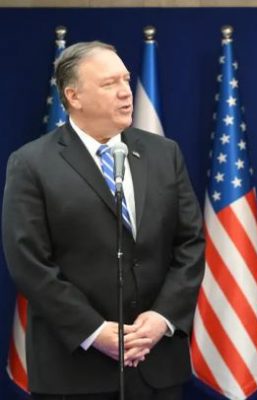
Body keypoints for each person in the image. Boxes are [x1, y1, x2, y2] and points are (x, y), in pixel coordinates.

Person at [2, 41, 204, 399]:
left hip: (156, 363)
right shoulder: (32, 164)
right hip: (75, 370)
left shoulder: (164, 153)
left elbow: (190, 243)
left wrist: (162, 318)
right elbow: (29, 262)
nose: (126, 92)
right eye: (109, 84)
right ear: (73, 96)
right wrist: (94, 331)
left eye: (125, 80)